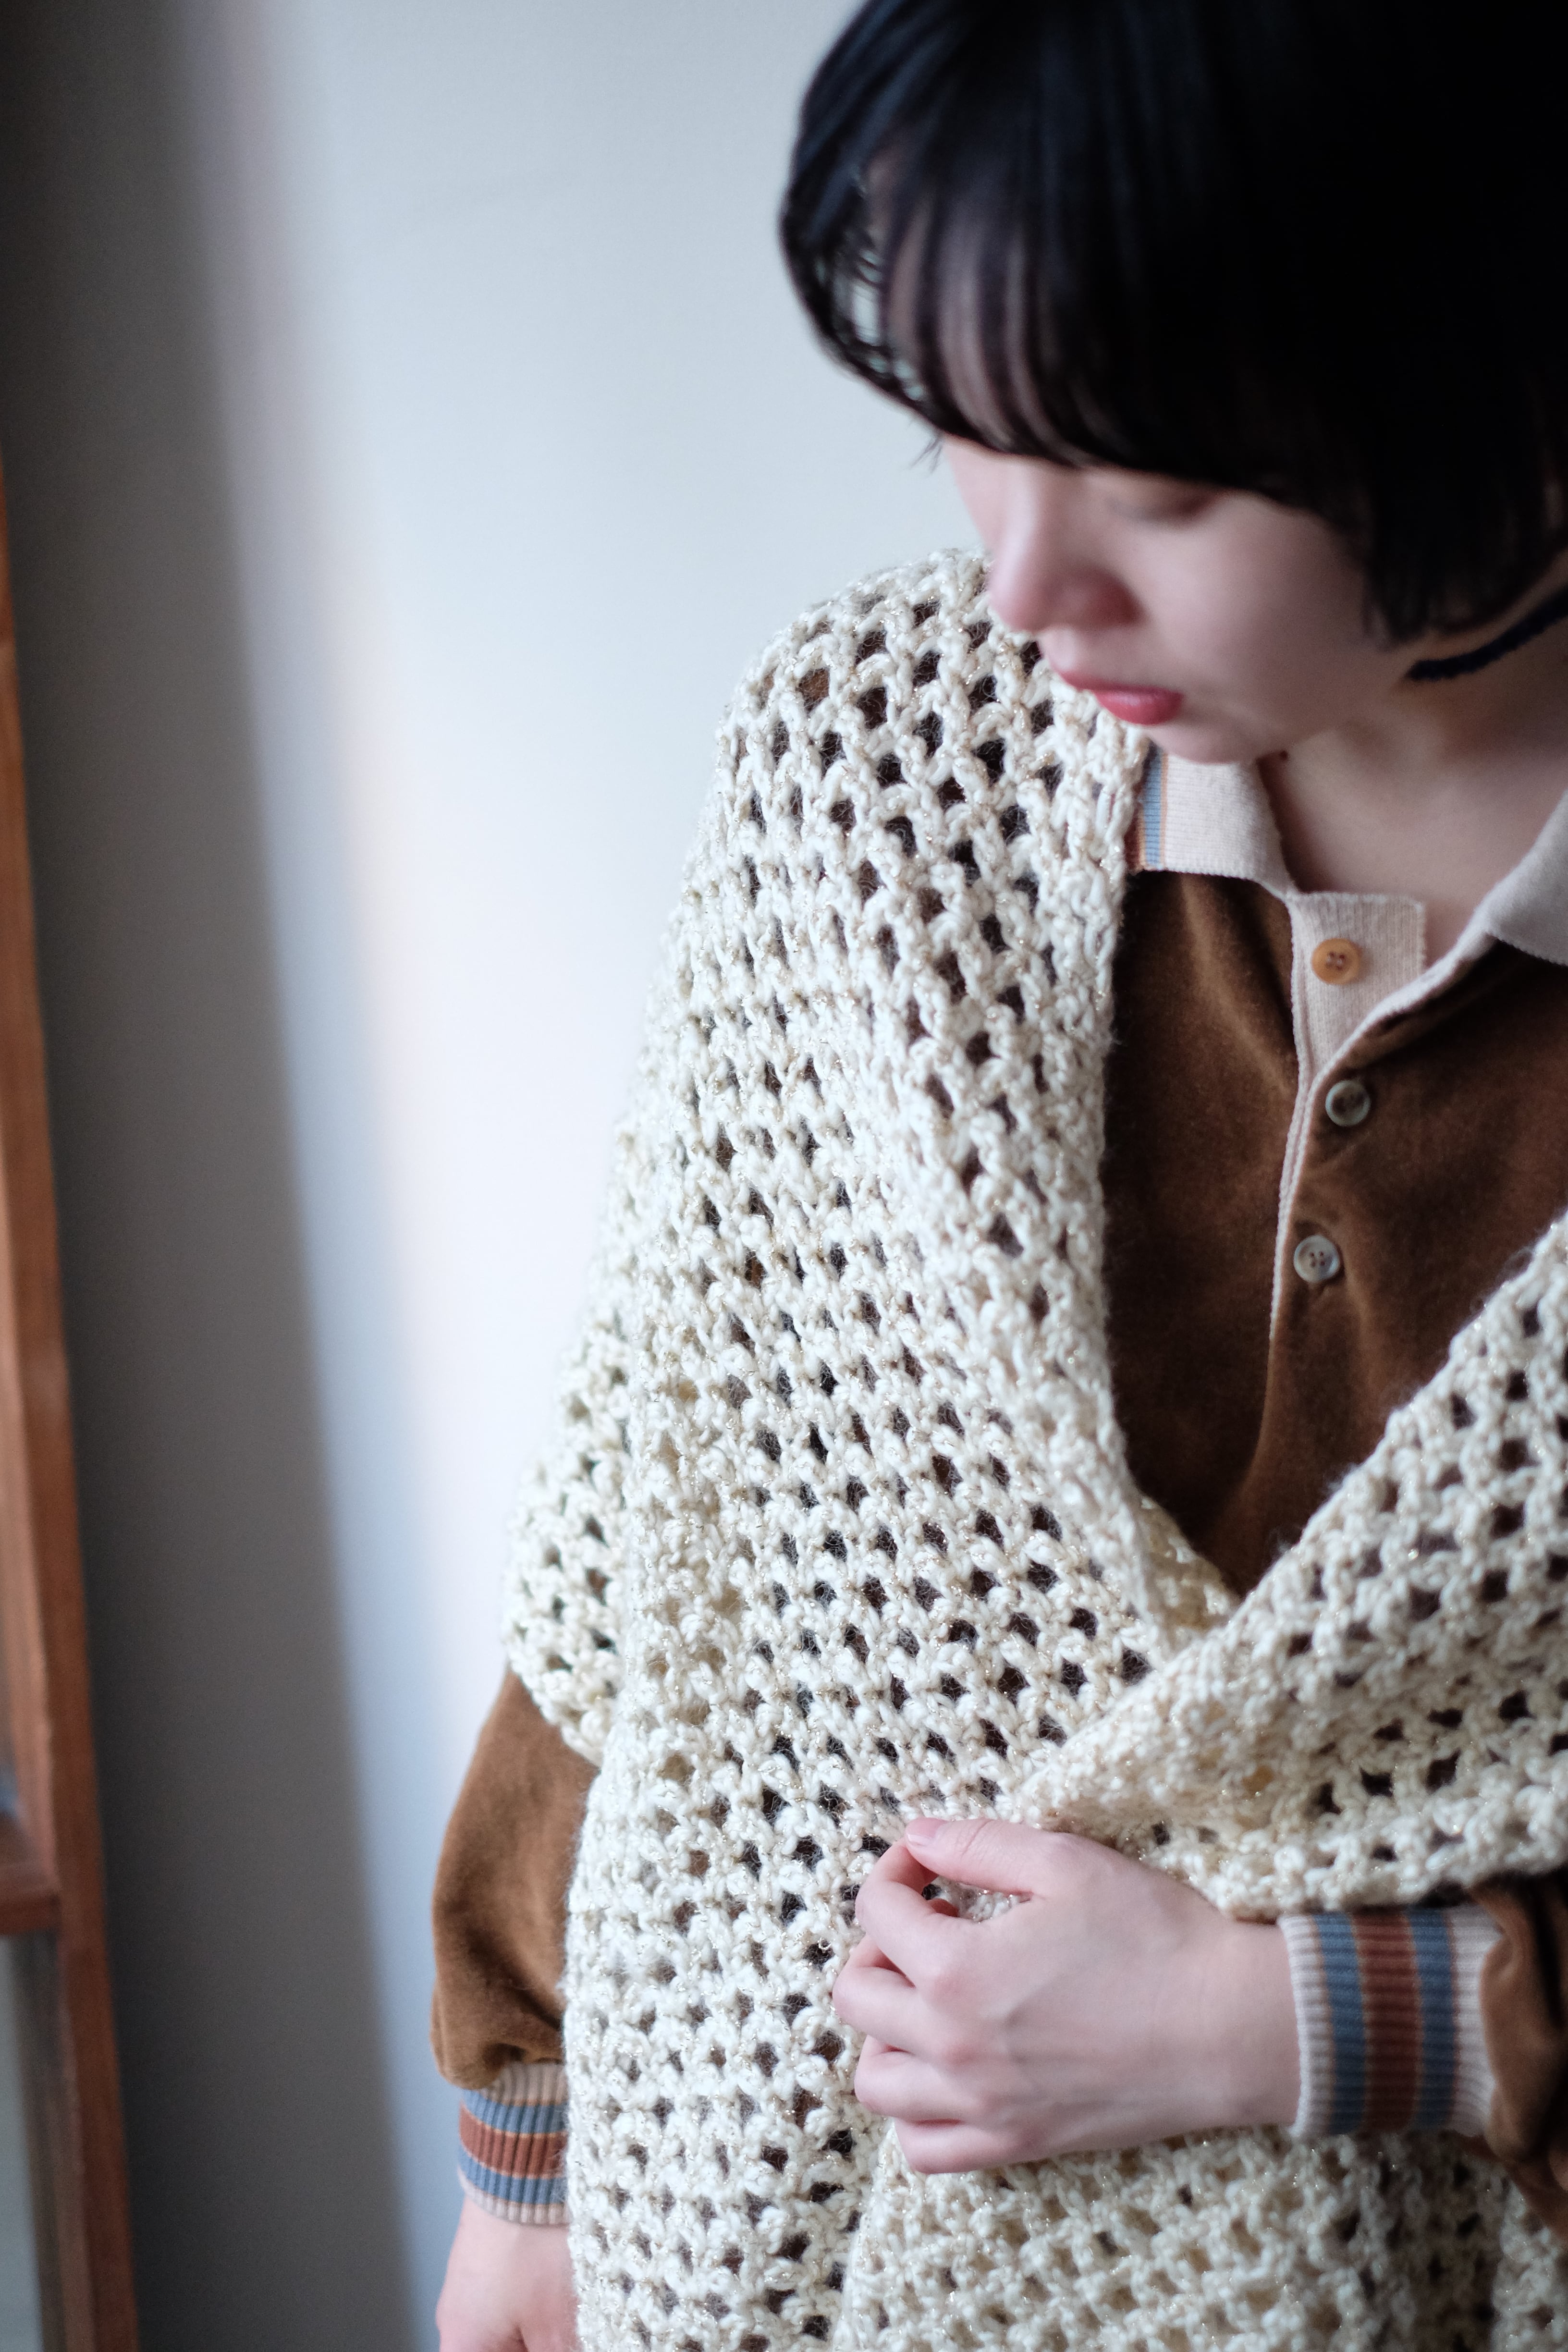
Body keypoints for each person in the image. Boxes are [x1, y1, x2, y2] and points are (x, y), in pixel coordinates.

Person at [432, 3, 1568, 2345]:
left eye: (1160, 483)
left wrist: (1315, 2022)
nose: (1031, 584)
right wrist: (530, 2156)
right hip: (788, 2242)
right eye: (966, 424)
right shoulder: (874, 779)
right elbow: (666, 1500)